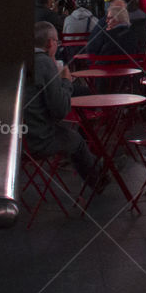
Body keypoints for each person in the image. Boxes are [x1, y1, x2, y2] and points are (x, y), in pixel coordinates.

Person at [24, 22, 107, 190]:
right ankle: (99, 181)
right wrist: (65, 81)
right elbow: (61, 110)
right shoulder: (44, 63)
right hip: (37, 141)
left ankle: (101, 170)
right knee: (76, 140)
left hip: (14, 139)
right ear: (49, 43)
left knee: (66, 134)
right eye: (56, 41)